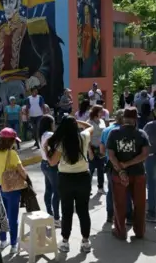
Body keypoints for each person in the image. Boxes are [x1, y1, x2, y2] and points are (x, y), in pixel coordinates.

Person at [46, 116, 94, 253]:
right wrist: (77, 121)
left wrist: (45, 150)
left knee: (66, 211)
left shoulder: (61, 143)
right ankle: (85, 241)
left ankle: (65, 242)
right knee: (83, 210)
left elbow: (52, 163)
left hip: (65, 179)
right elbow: (91, 126)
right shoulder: (83, 137)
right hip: (83, 178)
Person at [106, 107, 150, 240]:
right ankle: (140, 232)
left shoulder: (114, 133)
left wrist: (121, 170)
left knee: (119, 203)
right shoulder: (141, 134)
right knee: (140, 203)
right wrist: (128, 164)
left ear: (123, 118)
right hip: (138, 173)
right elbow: (145, 155)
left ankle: (120, 232)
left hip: (119, 175)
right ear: (135, 119)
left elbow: (111, 155)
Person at [0, 128, 28, 254]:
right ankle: (13, 244)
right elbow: (21, 170)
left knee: (2, 215)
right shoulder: (12, 154)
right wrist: (26, 179)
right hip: (12, 189)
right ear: (10, 141)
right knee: (13, 217)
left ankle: (2, 241)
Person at [100, 109, 133, 224]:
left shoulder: (107, 130)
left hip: (111, 164)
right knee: (127, 190)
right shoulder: (130, 131)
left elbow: (102, 150)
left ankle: (110, 215)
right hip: (127, 164)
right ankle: (129, 216)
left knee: (111, 190)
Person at [39, 114, 60, 226]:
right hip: (52, 165)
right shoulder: (50, 135)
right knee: (57, 192)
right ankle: (56, 218)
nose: (54, 125)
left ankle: (50, 214)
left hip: (44, 164)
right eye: (53, 123)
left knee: (49, 190)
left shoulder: (42, 134)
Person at [87, 105, 107, 194]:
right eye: (101, 111)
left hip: (101, 148)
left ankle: (101, 187)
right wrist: (89, 150)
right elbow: (86, 137)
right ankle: (87, 188)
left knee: (101, 168)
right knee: (90, 169)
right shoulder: (88, 122)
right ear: (96, 112)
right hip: (92, 147)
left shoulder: (102, 121)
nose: (102, 113)